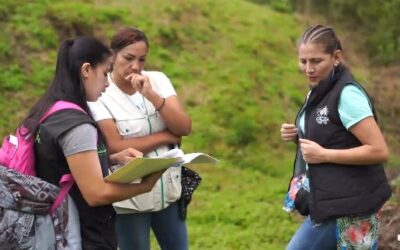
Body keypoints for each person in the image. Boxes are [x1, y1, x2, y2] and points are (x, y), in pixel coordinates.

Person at [22, 37, 163, 249]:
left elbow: (60, 163)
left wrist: (111, 159)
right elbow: (96, 194)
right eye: (105, 73)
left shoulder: (49, 108)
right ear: (86, 70)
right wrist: (144, 186)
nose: (107, 83)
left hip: (50, 228)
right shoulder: (77, 126)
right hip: (81, 235)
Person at [280, 25, 391, 250]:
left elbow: (379, 150)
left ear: (336, 57)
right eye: (303, 61)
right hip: (332, 199)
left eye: (316, 61)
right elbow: (335, 134)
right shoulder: (320, 88)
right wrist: (298, 134)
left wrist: (324, 154)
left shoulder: (347, 95)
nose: (308, 69)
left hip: (352, 206)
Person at [88, 27, 192, 250]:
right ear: (112, 55)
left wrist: (152, 95)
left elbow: (183, 127)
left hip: (168, 188)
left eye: (141, 60)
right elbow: (115, 144)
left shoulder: (158, 80)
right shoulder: (101, 90)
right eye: (128, 58)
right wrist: (166, 136)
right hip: (130, 199)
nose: (135, 66)